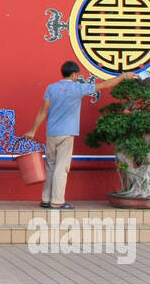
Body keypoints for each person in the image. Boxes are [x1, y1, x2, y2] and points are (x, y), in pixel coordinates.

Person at [22, 61, 130, 209]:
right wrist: (123, 77)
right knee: (62, 167)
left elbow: (43, 110)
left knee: (50, 166)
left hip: (52, 133)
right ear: (73, 74)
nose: (77, 77)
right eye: (77, 75)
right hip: (66, 133)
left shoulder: (51, 88)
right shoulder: (78, 88)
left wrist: (33, 130)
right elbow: (104, 85)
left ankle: (46, 200)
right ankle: (57, 201)